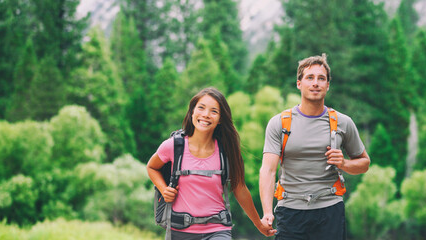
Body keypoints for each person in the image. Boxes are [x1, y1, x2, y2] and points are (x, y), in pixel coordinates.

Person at [259, 54, 371, 239]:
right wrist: (267, 211)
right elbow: (268, 171)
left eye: (321, 78)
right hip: (290, 211)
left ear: (328, 85)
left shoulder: (343, 122)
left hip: (329, 210)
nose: (315, 83)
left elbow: (364, 163)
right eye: (309, 77)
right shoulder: (279, 123)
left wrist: (344, 164)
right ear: (299, 83)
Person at [147, 87, 276, 239]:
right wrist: (164, 189)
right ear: (192, 112)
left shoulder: (227, 150)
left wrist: (258, 224)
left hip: (217, 230)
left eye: (214, 111)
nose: (206, 115)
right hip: (180, 231)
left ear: (221, 118)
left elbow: (239, 187)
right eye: (201, 108)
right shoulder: (173, 146)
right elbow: (152, 167)